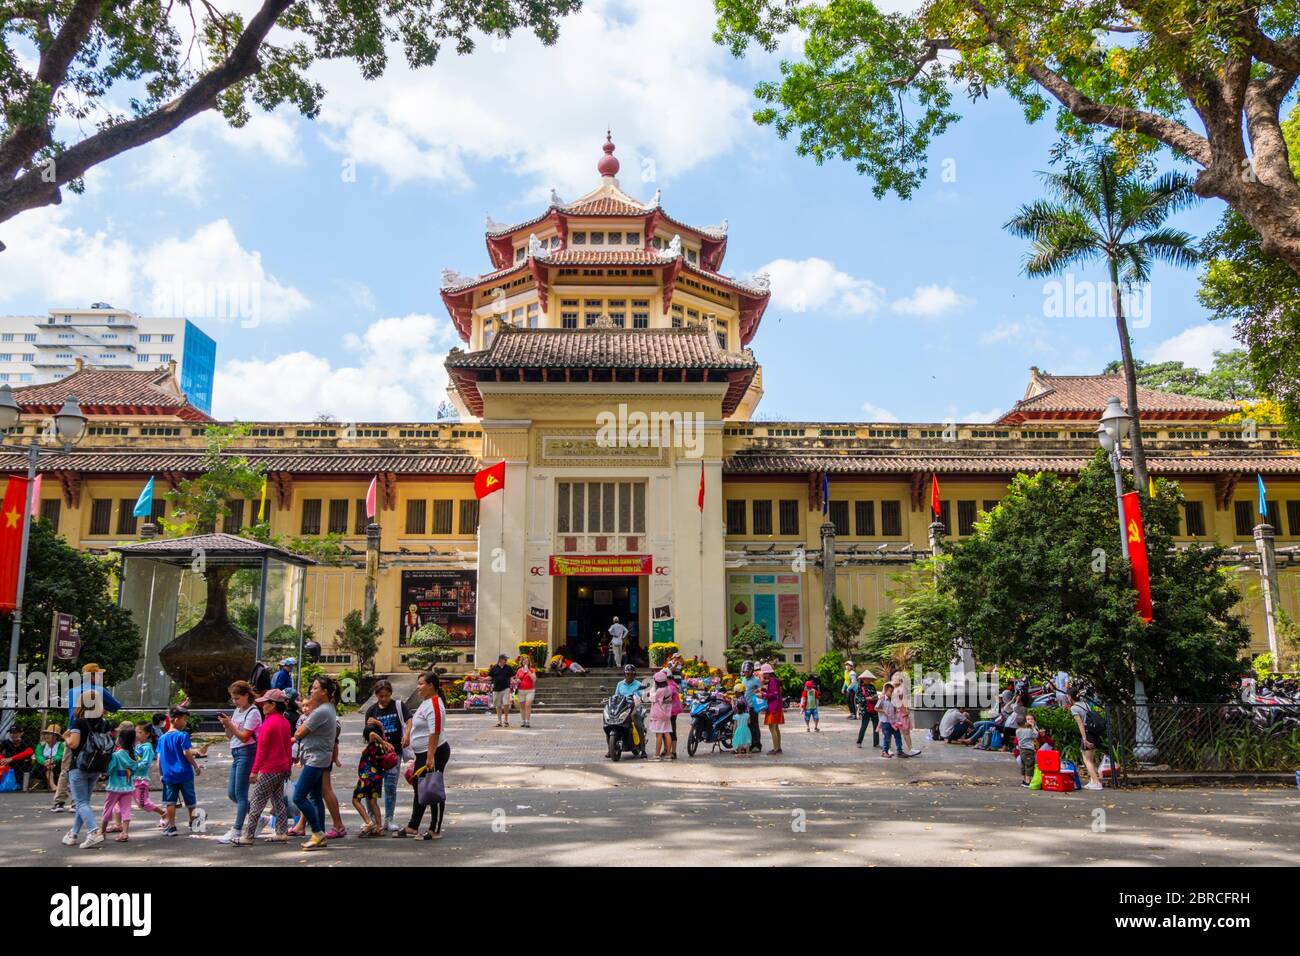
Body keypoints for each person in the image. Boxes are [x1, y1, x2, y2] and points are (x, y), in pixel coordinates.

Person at [53, 664, 121, 812]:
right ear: (92, 676)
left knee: (67, 766)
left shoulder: (72, 691)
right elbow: (116, 706)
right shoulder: (100, 690)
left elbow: (72, 711)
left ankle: (59, 801)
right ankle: (77, 801)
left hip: (74, 730)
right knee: (87, 763)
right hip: (93, 733)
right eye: (98, 675)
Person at [236, 688, 294, 845]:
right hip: (282, 768)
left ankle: (248, 836)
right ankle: (282, 832)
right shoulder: (285, 722)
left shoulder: (268, 724)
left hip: (269, 768)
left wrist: (254, 771)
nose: (263, 706)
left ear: (273, 705)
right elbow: (288, 746)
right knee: (278, 801)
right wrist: (288, 766)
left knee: (256, 802)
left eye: (265, 703)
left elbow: (261, 751)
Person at [398, 671, 450, 840]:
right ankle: (413, 825)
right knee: (420, 787)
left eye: (421, 684)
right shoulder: (426, 702)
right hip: (423, 752)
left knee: (432, 787)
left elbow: (434, 732)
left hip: (434, 752)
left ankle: (435, 828)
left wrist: (430, 757)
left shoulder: (435, 704)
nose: (418, 687)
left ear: (431, 686)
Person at [293, 676, 340, 850]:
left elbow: (299, 733)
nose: (312, 691)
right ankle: (319, 834)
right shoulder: (327, 708)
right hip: (318, 757)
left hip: (316, 759)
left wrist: (299, 731)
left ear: (325, 692)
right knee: (314, 797)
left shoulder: (321, 712)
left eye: (315, 688)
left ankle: (317, 832)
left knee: (299, 796)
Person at [62, 691, 110, 848]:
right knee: (84, 802)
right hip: (96, 766)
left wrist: (66, 738)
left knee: (81, 802)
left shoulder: (78, 723)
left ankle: (93, 832)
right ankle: (73, 834)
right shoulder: (104, 723)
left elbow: (74, 744)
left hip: (79, 766)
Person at [216, 680, 262, 843]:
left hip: (247, 752)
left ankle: (236, 830)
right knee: (232, 793)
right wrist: (226, 725)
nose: (234, 701)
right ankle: (257, 818)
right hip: (236, 752)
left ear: (246, 695)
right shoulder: (238, 710)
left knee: (241, 794)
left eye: (237, 698)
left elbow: (244, 736)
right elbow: (231, 736)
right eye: (233, 698)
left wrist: (230, 724)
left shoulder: (253, 712)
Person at [363, 679, 410, 832]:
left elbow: (409, 720)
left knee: (390, 787)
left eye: (387, 696)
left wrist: (407, 735)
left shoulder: (398, 706)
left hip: (393, 755)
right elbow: (367, 734)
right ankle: (372, 820)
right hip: (376, 757)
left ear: (390, 694)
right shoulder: (371, 711)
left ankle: (389, 819)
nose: (384, 699)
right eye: (381, 696)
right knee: (371, 789)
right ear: (376, 695)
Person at [159, 706, 205, 836]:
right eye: (184, 720)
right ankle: (193, 822)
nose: (185, 722)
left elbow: (159, 758)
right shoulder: (183, 735)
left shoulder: (162, 738)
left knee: (170, 801)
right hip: (184, 773)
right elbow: (186, 752)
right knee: (190, 799)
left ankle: (172, 826)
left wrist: (161, 773)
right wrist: (195, 766)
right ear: (176, 720)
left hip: (168, 774)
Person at [100, 723, 138, 842]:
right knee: (126, 809)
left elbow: (109, 770)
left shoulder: (116, 755)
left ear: (120, 740)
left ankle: (102, 832)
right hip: (127, 787)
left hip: (114, 788)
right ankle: (125, 832)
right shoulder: (134, 755)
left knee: (108, 808)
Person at [353, 717, 389, 836]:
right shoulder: (382, 744)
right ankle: (379, 827)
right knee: (373, 802)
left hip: (366, 777)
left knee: (355, 800)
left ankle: (368, 822)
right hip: (377, 778)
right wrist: (380, 726)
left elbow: (373, 734)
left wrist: (381, 740)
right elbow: (378, 733)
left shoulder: (374, 743)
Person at [128, 720, 165, 825]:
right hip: (131, 779)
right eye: (136, 732)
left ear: (147, 734)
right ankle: (120, 824)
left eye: (140, 732)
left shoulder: (147, 747)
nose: (137, 734)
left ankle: (163, 813)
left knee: (143, 803)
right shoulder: (137, 745)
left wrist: (132, 766)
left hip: (141, 781)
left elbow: (145, 764)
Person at [1067, 688, 1106, 790]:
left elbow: (1081, 724)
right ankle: (1092, 781)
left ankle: (1097, 783)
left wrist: (1084, 739)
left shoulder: (1074, 708)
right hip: (1094, 733)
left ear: (1070, 697)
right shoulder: (1086, 704)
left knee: (1086, 759)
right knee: (1091, 759)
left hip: (1087, 733)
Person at [891, 670, 921, 756]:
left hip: (900, 711)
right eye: (895, 676)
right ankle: (889, 749)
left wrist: (906, 707)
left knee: (904, 731)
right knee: (893, 731)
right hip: (895, 712)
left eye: (898, 676)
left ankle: (909, 748)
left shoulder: (900, 687)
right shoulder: (891, 686)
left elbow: (904, 698)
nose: (897, 677)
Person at [647, 669, 675, 760]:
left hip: (659, 715)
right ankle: (669, 754)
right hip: (666, 714)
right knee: (667, 733)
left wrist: (651, 689)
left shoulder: (659, 691)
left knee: (658, 735)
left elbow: (652, 698)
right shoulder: (668, 689)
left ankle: (657, 755)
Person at [877, 683, 906, 758]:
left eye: (892, 691)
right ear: (886, 691)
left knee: (898, 736)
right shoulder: (882, 699)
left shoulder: (893, 700)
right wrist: (883, 711)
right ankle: (884, 752)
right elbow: (876, 708)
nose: (892, 693)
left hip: (894, 722)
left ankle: (899, 751)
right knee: (887, 737)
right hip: (885, 722)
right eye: (890, 691)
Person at [0, 725, 33, 791]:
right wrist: (2, 759)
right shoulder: (6, 742)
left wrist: (12, 758)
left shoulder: (26, 741)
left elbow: (29, 751)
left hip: (23, 765)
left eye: (15, 733)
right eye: (11, 732)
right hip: (8, 765)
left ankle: (22, 785)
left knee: (24, 765)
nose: (13, 734)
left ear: (21, 733)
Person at [488, 653, 517, 728]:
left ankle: (506, 720)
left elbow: (511, 677)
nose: (506, 660)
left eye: (506, 659)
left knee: (506, 704)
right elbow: (490, 677)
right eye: (505, 659)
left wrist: (514, 681)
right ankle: (499, 721)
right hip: (496, 689)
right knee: (498, 705)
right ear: (501, 659)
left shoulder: (509, 667)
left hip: (506, 688)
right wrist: (482, 679)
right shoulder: (494, 668)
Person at [760, 663, 784, 754]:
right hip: (777, 707)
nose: (763, 675)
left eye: (764, 673)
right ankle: (778, 747)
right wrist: (764, 690)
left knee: (772, 728)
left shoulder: (772, 681)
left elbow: (773, 695)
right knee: (776, 728)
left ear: (767, 673)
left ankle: (775, 749)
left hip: (773, 708)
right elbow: (774, 692)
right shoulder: (774, 680)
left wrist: (763, 695)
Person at [33, 724, 63, 793]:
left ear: (56, 736)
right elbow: (38, 755)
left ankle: (53, 785)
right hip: (42, 766)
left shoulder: (61, 745)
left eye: (50, 734)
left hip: (56, 765)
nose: (46, 736)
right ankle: (53, 786)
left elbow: (60, 755)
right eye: (46, 734)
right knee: (48, 766)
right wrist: (45, 762)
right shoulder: (41, 745)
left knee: (51, 765)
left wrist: (53, 760)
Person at [741, 661, 763, 755]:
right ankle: (748, 744)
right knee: (746, 727)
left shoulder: (756, 680)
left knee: (754, 726)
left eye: (748, 671)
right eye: (745, 671)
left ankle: (757, 745)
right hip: (744, 706)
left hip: (753, 707)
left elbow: (760, 691)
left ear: (751, 670)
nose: (746, 672)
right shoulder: (743, 679)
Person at [856, 674, 880, 748]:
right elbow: (858, 699)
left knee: (876, 726)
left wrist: (875, 697)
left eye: (869, 678)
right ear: (863, 679)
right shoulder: (860, 687)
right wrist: (868, 699)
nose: (869, 680)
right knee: (864, 725)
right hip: (865, 709)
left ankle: (876, 743)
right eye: (867, 678)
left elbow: (876, 695)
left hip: (874, 708)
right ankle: (859, 742)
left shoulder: (872, 687)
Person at [1015, 715, 1038, 787]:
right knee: (1029, 766)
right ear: (1025, 723)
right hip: (1029, 751)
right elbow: (1036, 735)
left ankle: (1024, 780)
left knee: (1024, 765)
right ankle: (1028, 782)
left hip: (1022, 750)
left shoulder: (1018, 730)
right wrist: (1033, 727)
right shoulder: (1029, 730)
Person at [731, 685, 753, 755]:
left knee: (739, 737)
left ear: (738, 692)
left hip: (739, 719)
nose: (735, 694)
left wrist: (732, 703)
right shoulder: (743, 698)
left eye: (735, 692)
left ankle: (738, 750)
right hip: (745, 719)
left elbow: (734, 709)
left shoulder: (739, 700)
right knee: (745, 737)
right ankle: (746, 751)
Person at [515, 657, 537, 728]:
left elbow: (534, 679)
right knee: (522, 706)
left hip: (530, 690)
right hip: (521, 690)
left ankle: (527, 721)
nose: (525, 662)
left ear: (529, 662)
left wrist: (528, 672)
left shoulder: (532, 670)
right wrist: (517, 680)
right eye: (524, 661)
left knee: (528, 705)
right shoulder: (519, 670)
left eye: (527, 661)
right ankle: (523, 720)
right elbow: (516, 679)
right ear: (522, 662)